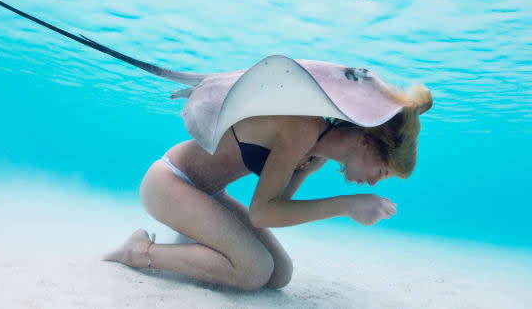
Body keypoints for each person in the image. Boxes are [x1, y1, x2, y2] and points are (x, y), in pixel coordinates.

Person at [103, 83, 432, 290]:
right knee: (254, 269)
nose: (374, 181)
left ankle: (194, 239)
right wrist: (348, 205)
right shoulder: (303, 128)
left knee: (280, 274)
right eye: (382, 170)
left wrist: (347, 203)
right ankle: (139, 251)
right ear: (366, 142)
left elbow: (277, 209)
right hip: (171, 179)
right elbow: (262, 213)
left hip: (209, 195)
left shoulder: (315, 156)